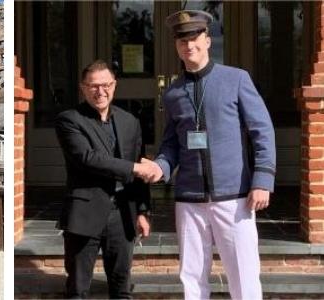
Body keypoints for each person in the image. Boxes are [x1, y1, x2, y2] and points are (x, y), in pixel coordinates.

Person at [148, 10, 275, 300]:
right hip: (189, 199)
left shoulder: (237, 79)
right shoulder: (173, 92)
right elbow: (171, 145)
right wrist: (160, 168)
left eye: (194, 38)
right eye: (182, 41)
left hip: (235, 197)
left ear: (207, 40)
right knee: (191, 276)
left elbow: (262, 130)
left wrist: (263, 179)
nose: (188, 45)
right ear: (176, 46)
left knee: (244, 275)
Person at [54, 60, 152, 299]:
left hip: (122, 213)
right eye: (94, 86)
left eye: (106, 85)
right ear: (83, 88)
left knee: (121, 288)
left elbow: (140, 165)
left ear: (114, 86)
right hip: (85, 212)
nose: (101, 91)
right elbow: (88, 158)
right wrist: (135, 168)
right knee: (78, 289)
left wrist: (142, 211)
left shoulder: (130, 122)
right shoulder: (70, 119)